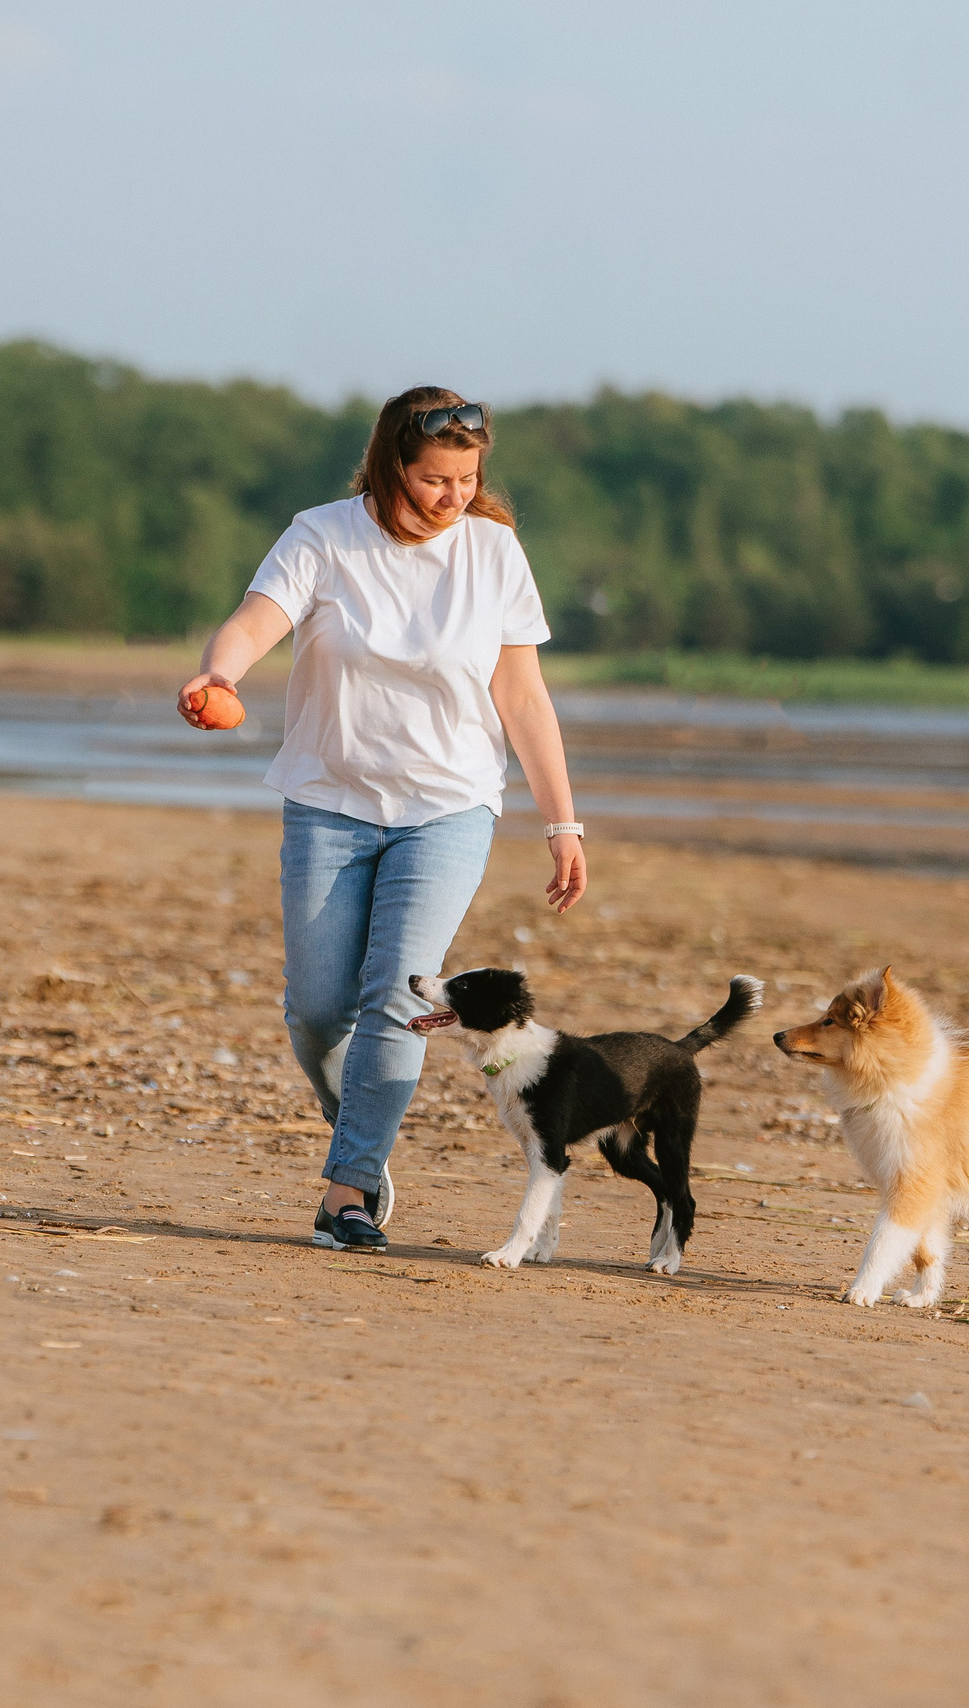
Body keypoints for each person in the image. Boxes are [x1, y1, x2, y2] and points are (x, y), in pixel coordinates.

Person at [176, 386, 586, 1254]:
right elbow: (259, 621)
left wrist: (563, 823)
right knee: (320, 1012)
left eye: (468, 479)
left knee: (398, 998)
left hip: (449, 807)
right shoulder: (323, 535)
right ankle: (356, 1136)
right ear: (392, 466)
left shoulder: (495, 553)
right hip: (329, 801)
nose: (454, 497)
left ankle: (348, 1189)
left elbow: (523, 696)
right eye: (435, 479)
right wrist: (219, 674)